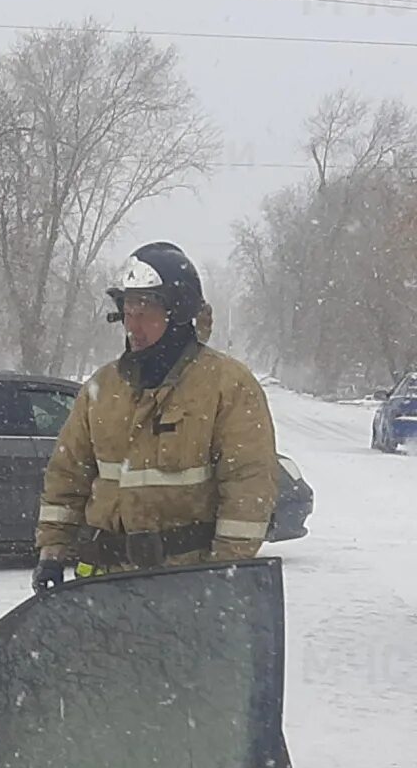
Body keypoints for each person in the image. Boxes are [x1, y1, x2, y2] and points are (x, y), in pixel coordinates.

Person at [35, 243, 277, 591]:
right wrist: (52, 551)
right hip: (104, 586)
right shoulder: (102, 388)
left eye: (145, 310)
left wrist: (224, 574)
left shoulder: (227, 386)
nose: (133, 324)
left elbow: (247, 489)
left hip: (183, 587)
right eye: (128, 310)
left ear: (178, 314)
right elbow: (67, 475)